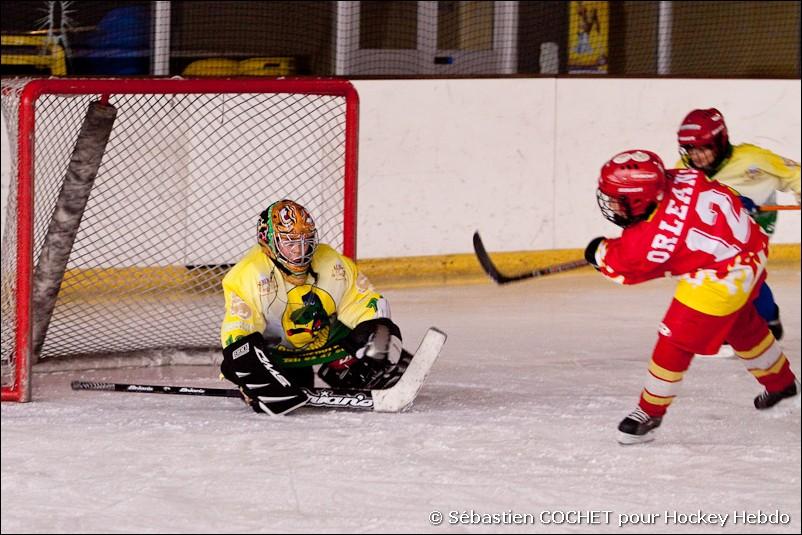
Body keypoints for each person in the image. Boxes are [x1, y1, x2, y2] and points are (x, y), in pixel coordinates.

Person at [584, 149, 799, 444]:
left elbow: (625, 267)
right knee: (740, 324)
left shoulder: (649, 241)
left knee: (673, 342)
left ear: (638, 199)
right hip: (750, 247)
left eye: (617, 200)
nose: (612, 206)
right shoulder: (685, 177)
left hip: (722, 276)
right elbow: (721, 194)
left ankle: (649, 412)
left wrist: (597, 253)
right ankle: (782, 384)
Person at [219, 199, 404, 415]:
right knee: (247, 359)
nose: (299, 251)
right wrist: (246, 370)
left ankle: (346, 370)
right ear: (268, 244)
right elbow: (238, 332)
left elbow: (363, 301)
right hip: (277, 356)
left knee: (376, 331)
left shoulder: (332, 264)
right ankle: (275, 380)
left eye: (305, 241)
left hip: (325, 344)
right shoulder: (248, 275)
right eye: (289, 243)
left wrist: (378, 329)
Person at [676, 108, 800, 342]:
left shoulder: (753, 159)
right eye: (690, 149)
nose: (696, 156)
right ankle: (764, 317)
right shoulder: (684, 171)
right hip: (717, 231)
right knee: (726, 271)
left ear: (720, 142)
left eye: (703, 148)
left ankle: (762, 317)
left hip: (759, 222)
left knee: (737, 267)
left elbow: (794, 174)